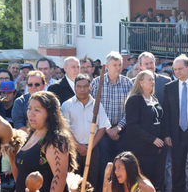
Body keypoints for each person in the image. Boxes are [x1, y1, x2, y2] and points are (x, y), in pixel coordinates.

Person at [9, 91, 77, 192]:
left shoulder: (55, 140)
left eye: (37, 110)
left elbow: (60, 177)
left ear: (49, 113)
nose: (31, 114)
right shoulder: (32, 134)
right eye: (29, 109)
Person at [91, 51, 133, 191]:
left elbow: (131, 110)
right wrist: (107, 128)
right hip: (102, 131)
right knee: (104, 164)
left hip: (122, 130)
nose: (118, 67)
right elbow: (93, 108)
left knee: (121, 165)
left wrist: (119, 127)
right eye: (114, 65)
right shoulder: (97, 83)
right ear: (107, 66)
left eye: (120, 64)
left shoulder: (127, 83)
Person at [61, 73, 110, 189]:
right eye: (79, 86)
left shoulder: (97, 105)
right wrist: (78, 146)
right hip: (74, 150)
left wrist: (90, 147)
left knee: (91, 181)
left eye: (85, 86)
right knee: (74, 182)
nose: (82, 89)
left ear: (90, 87)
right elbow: (65, 129)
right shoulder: (67, 105)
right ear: (74, 87)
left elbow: (102, 127)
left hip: (92, 150)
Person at [163, 55, 188, 192]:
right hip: (176, 134)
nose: (177, 72)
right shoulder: (170, 87)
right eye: (175, 69)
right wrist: (167, 134)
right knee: (177, 169)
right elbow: (166, 113)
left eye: (180, 69)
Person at [125, 70, 165, 190]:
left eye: (153, 79)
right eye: (149, 80)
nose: (153, 82)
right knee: (142, 181)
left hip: (156, 149)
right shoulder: (134, 100)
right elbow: (132, 125)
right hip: (141, 149)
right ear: (141, 82)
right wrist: (152, 139)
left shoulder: (154, 98)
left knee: (156, 180)